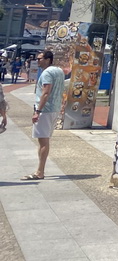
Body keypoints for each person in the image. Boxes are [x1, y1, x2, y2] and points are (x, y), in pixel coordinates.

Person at [22, 50, 65, 181]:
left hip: (45, 110)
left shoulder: (46, 73)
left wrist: (37, 111)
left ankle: (40, 171)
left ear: (47, 59)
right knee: (45, 138)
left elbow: (45, 93)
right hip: (54, 108)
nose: (37, 61)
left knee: (43, 140)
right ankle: (40, 170)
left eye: (40, 58)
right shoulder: (59, 71)